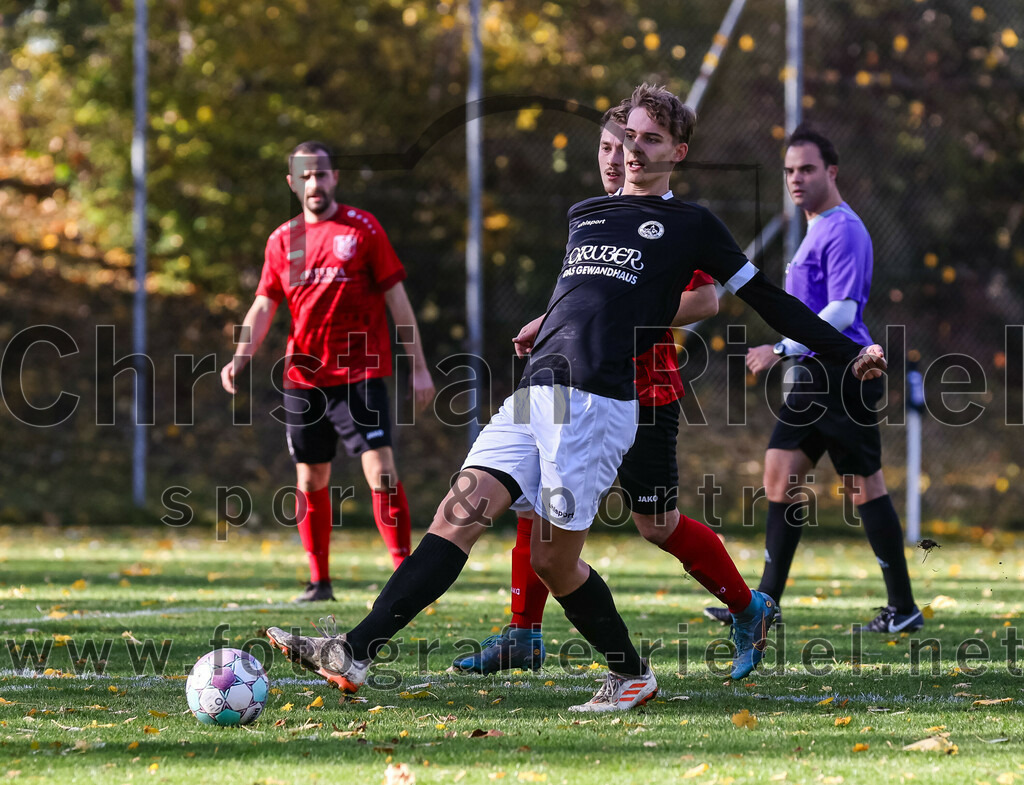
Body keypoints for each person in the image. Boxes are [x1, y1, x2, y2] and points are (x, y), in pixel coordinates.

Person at [265, 85, 887, 713]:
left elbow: (766, 302)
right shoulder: (586, 213)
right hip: (537, 390)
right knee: (458, 514)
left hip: (595, 405)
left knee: (555, 563)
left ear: (678, 151)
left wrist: (845, 351)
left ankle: (631, 674)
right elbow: (587, 293)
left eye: (650, 139)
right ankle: (354, 650)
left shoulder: (692, 225)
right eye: (627, 138)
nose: (634, 151)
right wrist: (549, 321)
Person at [451, 101, 769, 676]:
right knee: (532, 502)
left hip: (644, 392)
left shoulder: (663, 223)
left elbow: (706, 299)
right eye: (607, 147)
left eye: (632, 144)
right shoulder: (595, 216)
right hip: (574, 388)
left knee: (658, 525)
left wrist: (633, 313)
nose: (617, 158)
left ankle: (748, 608)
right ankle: (523, 631)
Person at [704, 125, 922, 633]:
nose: (796, 178)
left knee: (863, 486)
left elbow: (844, 311)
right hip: (816, 374)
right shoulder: (817, 227)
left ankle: (903, 607)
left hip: (843, 372)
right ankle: (765, 606)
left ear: (831, 171)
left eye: (806, 168)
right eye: (788, 170)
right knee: (779, 473)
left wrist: (780, 348)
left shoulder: (843, 228)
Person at [220, 140, 436, 602]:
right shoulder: (282, 240)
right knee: (309, 478)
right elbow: (264, 304)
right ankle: (319, 582)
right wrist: (241, 355)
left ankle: (405, 574)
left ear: (335, 176)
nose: (314, 183)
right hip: (306, 378)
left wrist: (418, 367)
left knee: (381, 470)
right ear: (292, 182)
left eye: (322, 174)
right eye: (305, 176)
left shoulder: (363, 229)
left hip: (363, 372)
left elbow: (398, 301)